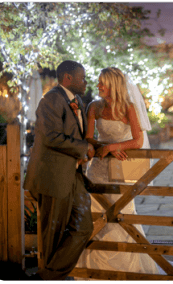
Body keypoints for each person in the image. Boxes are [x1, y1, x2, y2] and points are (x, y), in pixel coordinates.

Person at [75, 67, 160, 277]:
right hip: (97, 170)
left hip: (121, 168)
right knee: (96, 215)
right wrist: (102, 145)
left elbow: (138, 141)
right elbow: (88, 139)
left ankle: (125, 268)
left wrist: (115, 147)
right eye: (99, 82)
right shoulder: (94, 107)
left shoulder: (128, 108)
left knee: (121, 213)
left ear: (114, 85)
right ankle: (94, 268)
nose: (99, 86)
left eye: (103, 82)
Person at [23, 60, 95, 280]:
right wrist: (84, 148)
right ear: (68, 79)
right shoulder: (51, 99)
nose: (85, 83)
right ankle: (51, 278)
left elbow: (78, 134)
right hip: (53, 175)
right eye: (82, 78)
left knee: (83, 227)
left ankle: (46, 277)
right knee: (52, 233)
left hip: (73, 173)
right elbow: (51, 136)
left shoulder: (77, 100)